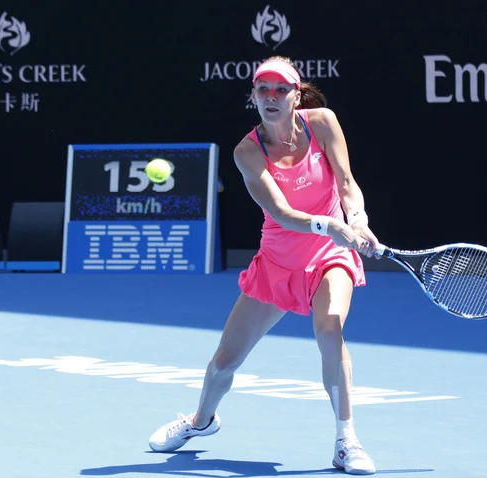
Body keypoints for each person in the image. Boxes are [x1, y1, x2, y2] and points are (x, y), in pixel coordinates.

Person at [148, 56, 382, 475]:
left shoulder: (323, 123)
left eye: (280, 90)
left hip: (329, 255)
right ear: (253, 96)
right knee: (224, 361)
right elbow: (282, 212)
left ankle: (346, 440)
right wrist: (330, 224)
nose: (271, 98)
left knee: (330, 330)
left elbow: (346, 183)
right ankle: (201, 421)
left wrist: (358, 221)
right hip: (277, 261)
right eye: (263, 90)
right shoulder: (247, 152)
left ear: (297, 95)